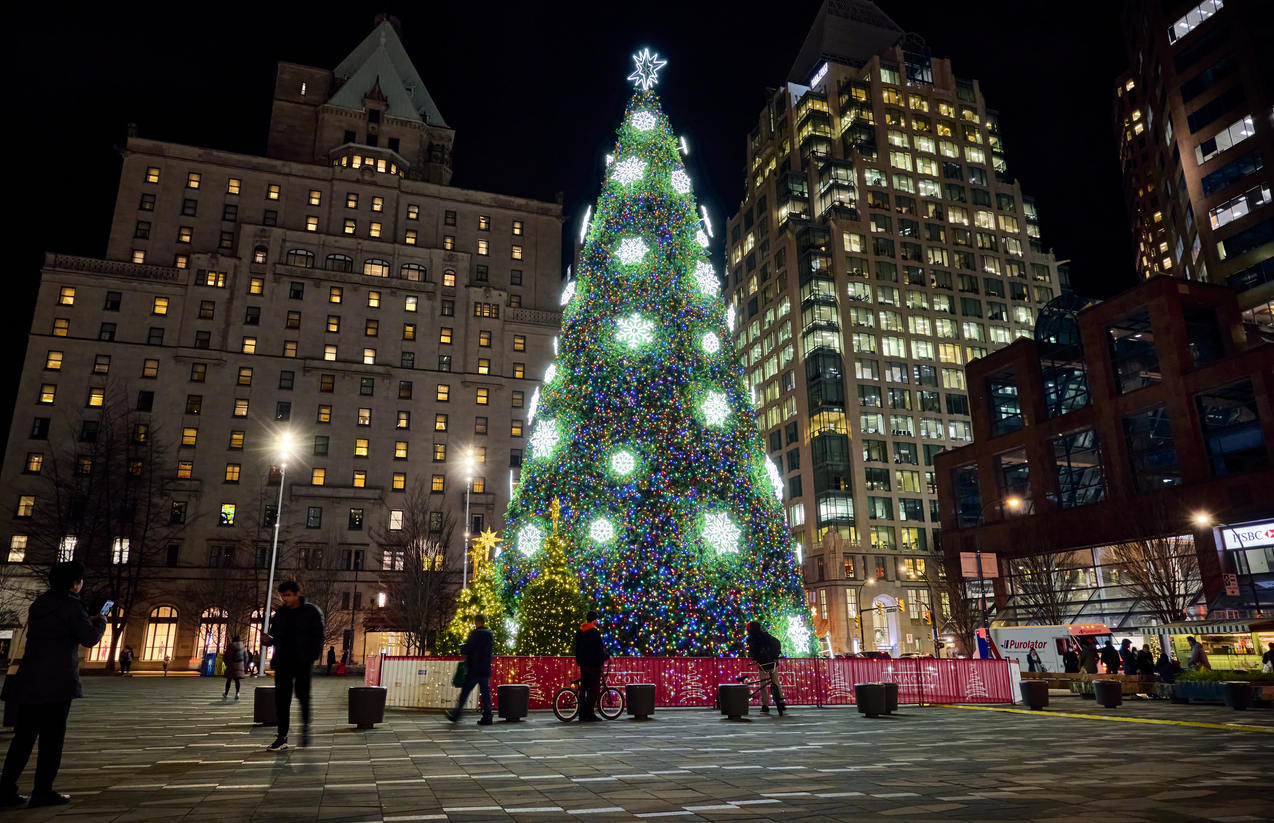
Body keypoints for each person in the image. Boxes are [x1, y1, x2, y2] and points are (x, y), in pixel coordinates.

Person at [0, 561, 106, 808]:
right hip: (58, 681)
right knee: (52, 739)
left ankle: (5, 790)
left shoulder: (40, 603)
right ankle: (43, 791)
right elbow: (90, 638)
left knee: (23, 738)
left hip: (29, 679)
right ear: (74, 583)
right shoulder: (73, 605)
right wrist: (99, 621)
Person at [261, 580, 325, 751]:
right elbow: (276, 636)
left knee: (303, 697)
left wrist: (311, 656)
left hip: (302, 661)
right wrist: (268, 641)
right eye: (283, 596)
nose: (285, 599)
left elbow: (319, 636)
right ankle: (282, 737)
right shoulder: (281, 613)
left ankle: (305, 729)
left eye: (288, 595)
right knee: (282, 700)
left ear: (297, 593)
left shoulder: (311, 611)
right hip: (283, 660)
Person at [449, 614, 495, 726]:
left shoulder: (475, 634)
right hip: (485, 669)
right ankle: (488, 716)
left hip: (474, 669)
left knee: (465, 692)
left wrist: (463, 649)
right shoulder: (489, 635)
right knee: (485, 693)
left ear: (476, 622)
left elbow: (468, 649)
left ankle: (457, 715)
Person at [573, 610, 611, 722]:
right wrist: (607, 657)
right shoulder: (594, 632)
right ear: (594, 620)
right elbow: (599, 651)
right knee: (594, 690)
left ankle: (582, 714)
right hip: (594, 665)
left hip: (584, 665)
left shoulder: (580, 631)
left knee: (584, 689)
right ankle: (590, 714)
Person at [745, 621, 785, 716]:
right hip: (772, 661)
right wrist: (776, 656)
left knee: (762, 684)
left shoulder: (752, 640)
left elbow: (753, 651)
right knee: (776, 682)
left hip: (762, 663)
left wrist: (755, 659)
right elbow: (776, 643)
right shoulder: (766, 637)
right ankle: (781, 702)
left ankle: (765, 706)